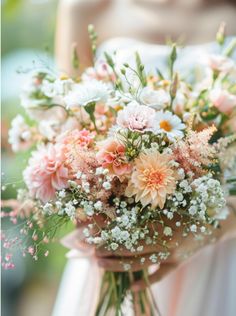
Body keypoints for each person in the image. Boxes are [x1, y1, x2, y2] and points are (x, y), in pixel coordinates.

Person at [53, 1, 236, 315]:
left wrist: (204, 229)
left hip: (222, 256)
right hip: (118, 256)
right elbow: (66, 141)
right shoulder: (84, 8)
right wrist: (100, 202)